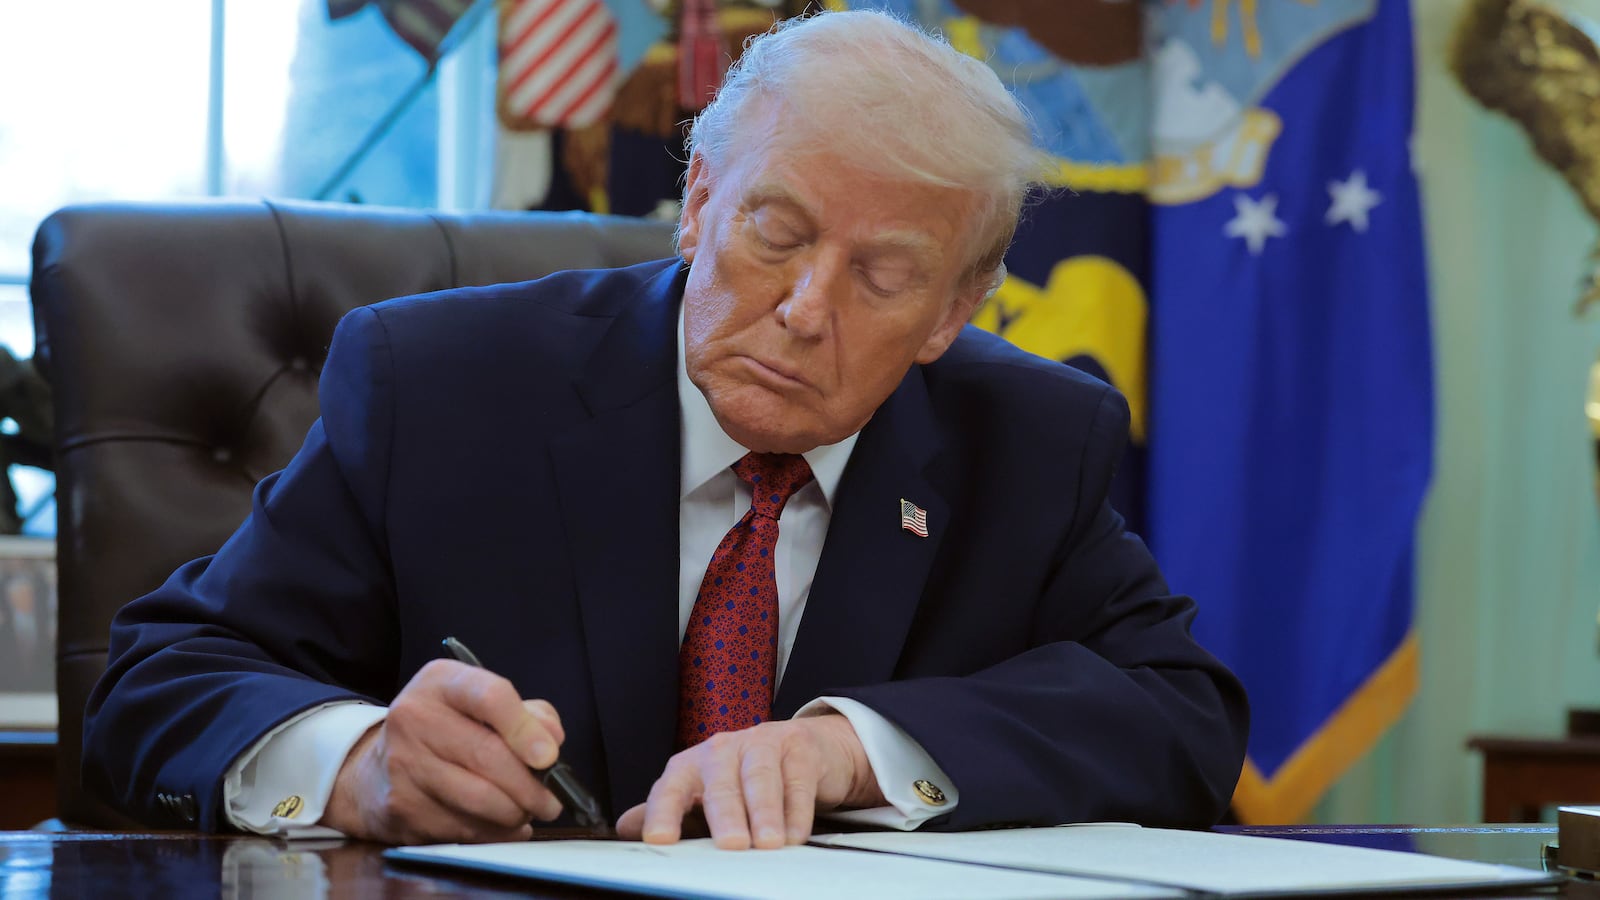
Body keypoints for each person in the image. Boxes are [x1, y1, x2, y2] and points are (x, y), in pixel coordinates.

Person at [84, 9, 1249, 848]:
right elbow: (158, 683)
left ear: (952, 313)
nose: (804, 312)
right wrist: (357, 765)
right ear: (697, 206)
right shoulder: (439, 386)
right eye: (775, 234)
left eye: (884, 276)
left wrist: (857, 748)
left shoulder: (1031, 438)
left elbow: (1182, 718)